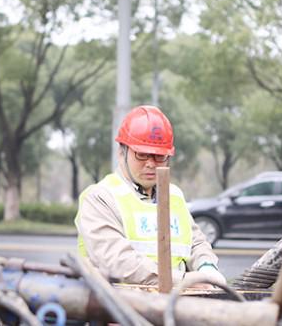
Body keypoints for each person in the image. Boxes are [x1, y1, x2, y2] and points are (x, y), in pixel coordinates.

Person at [75, 105, 226, 287]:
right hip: (119, 307)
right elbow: (117, 261)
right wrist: (183, 281)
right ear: (121, 152)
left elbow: (195, 242)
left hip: (176, 304)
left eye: (159, 156)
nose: (151, 164)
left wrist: (207, 266)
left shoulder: (174, 195)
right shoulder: (100, 198)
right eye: (142, 154)